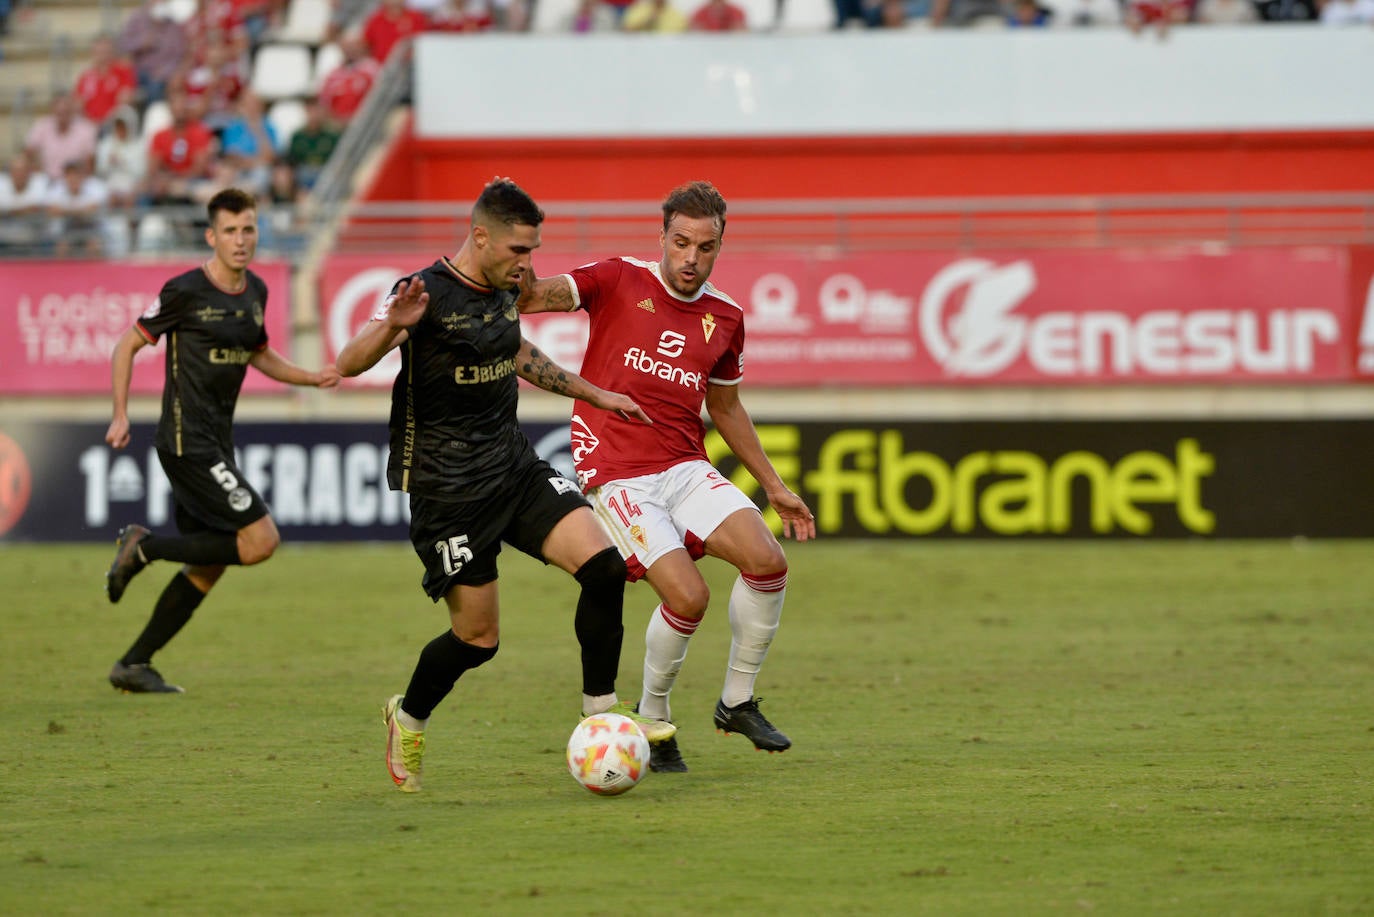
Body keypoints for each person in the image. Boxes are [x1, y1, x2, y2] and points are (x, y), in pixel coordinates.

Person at [335, 178, 676, 793]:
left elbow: (516, 352)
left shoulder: (506, 289)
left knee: (604, 567)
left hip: (513, 470)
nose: (530, 264)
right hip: (448, 493)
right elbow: (348, 362)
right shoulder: (422, 293)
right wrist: (394, 327)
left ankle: (601, 708)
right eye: (519, 250)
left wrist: (598, 395)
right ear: (481, 235)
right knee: (478, 639)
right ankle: (407, 716)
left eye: (533, 249)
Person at [516, 180, 816, 773]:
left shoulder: (725, 317)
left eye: (705, 247)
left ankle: (736, 701)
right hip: (618, 472)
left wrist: (776, 486)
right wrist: (516, 264)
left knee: (769, 561)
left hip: (684, 464)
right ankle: (654, 721)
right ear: (662, 237)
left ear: (719, 247)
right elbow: (535, 298)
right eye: (680, 243)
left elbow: (726, 408)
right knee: (690, 595)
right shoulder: (619, 277)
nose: (690, 259)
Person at [103, 188, 341, 694]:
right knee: (260, 541)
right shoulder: (184, 290)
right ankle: (142, 547)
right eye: (230, 231)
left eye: (248, 229)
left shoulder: (256, 291)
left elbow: (259, 354)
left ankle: (134, 663)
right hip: (188, 440)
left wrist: (309, 377)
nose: (240, 240)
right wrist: (121, 413)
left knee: (209, 562)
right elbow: (126, 346)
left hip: (217, 441)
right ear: (211, 236)